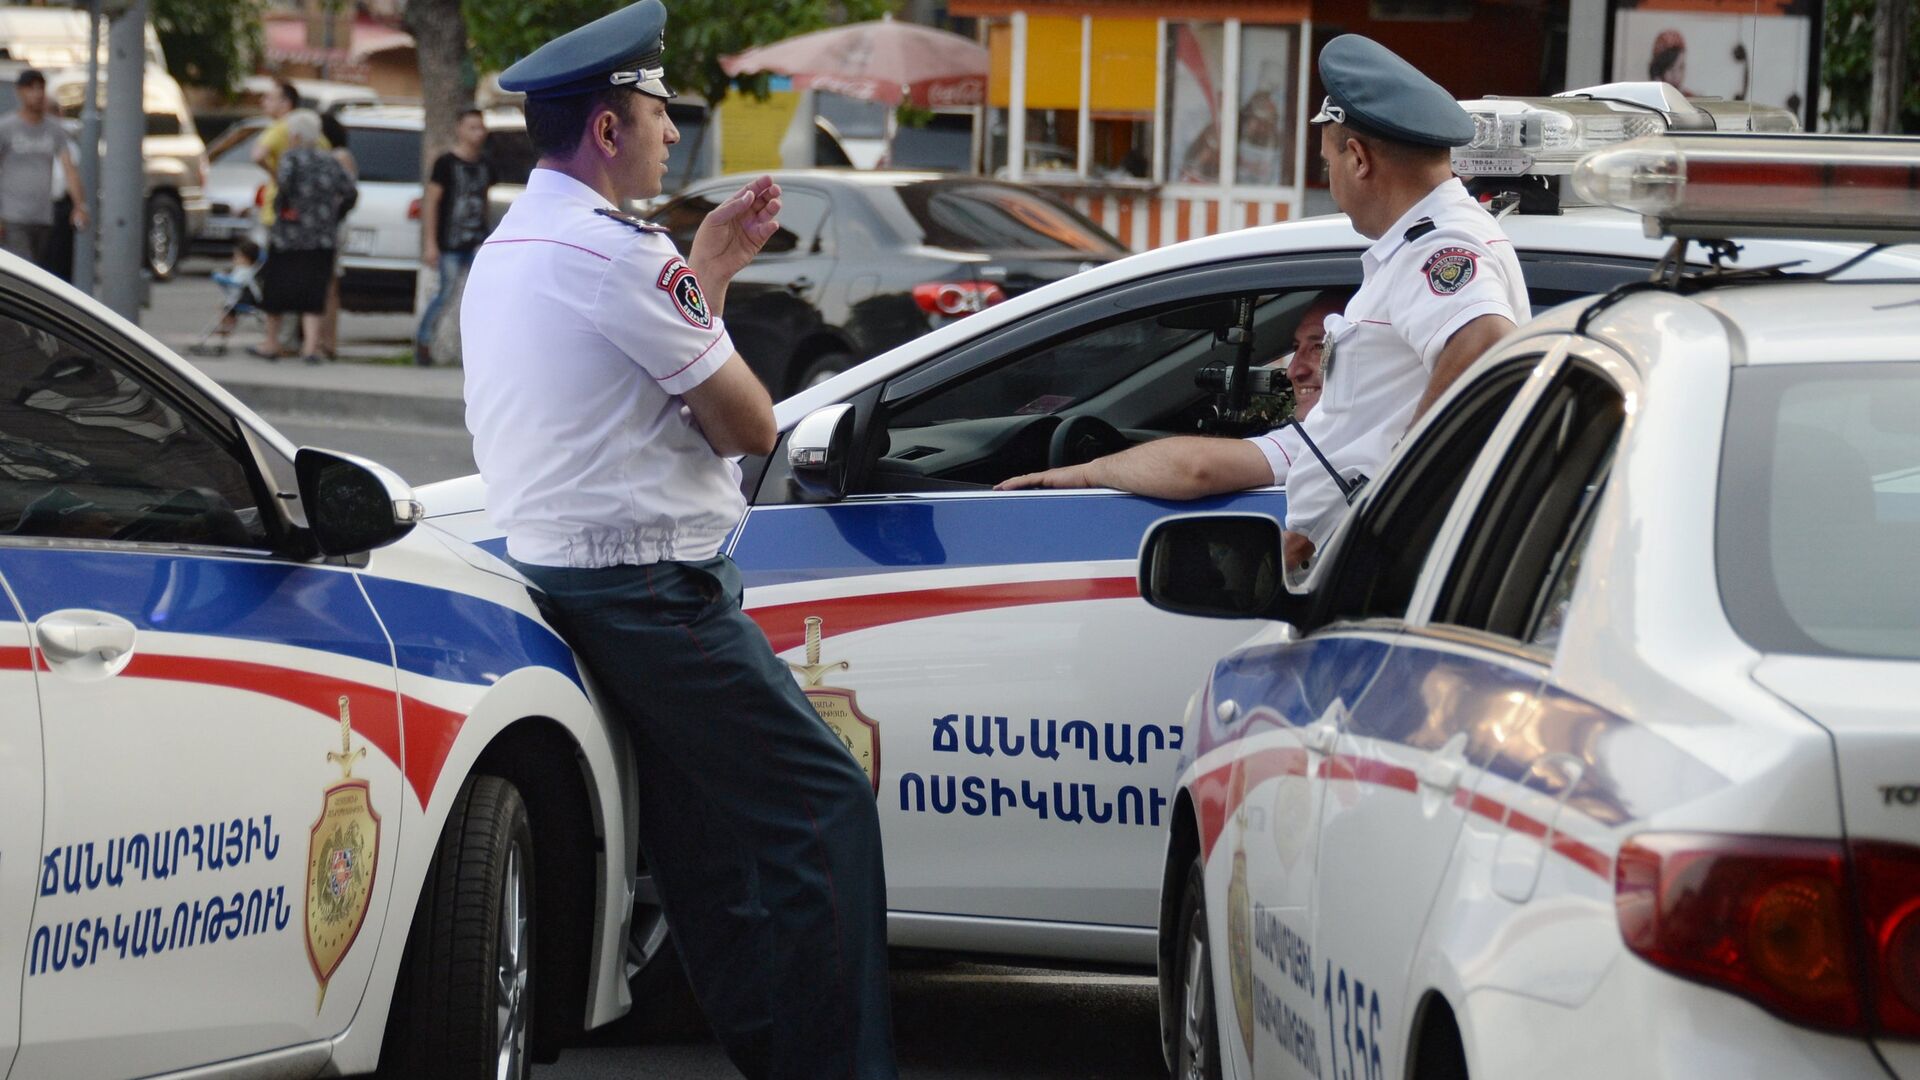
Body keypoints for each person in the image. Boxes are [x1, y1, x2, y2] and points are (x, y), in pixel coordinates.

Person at [460, 3, 897, 1078]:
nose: (670, 131)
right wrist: (696, 278)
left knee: (703, 845)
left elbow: (623, 391)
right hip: (653, 591)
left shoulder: (514, 245)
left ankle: (778, 1052)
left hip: (571, 578)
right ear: (608, 129)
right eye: (657, 112)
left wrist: (711, 270)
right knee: (825, 808)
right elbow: (749, 423)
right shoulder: (619, 253)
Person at [1010, 35, 1528, 571]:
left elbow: (1484, 342)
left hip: (1389, 562)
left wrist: (1387, 500)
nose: (1330, 183)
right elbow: (1215, 465)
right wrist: (1088, 473)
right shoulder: (1424, 243)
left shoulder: (1438, 245)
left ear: (1357, 159)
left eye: (1327, 164)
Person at [998, 288, 1346, 498]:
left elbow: (1195, 469)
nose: (1293, 371)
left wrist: (1087, 474)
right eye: (1296, 348)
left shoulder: (1334, 434)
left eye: (1319, 346)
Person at [259, 110, 355, 364]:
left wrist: (282, 210)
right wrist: (335, 215)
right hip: (322, 237)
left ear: (296, 136)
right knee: (314, 291)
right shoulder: (330, 161)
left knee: (277, 289)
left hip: (288, 236)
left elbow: (283, 188)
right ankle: (311, 347)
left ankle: (271, 343)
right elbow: (350, 191)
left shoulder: (291, 158)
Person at [416, 108, 495, 366]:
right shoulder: (446, 163)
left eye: (480, 128)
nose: (477, 133)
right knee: (445, 292)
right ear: (459, 130)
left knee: (479, 294)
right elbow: (432, 202)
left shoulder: (485, 164)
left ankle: (475, 351)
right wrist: (431, 243)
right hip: (449, 241)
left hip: (476, 240)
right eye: (472, 128)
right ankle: (424, 340)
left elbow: (484, 200)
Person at [0, 68, 87, 271]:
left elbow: (69, 168)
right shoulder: (7, 127)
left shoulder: (54, 129)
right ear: (20, 92)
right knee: (24, 268)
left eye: (40, 88)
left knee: (39, 269)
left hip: (43, 216)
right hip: (13, 216)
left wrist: (79, 205)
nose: (37, 94)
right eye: (31, 88)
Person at [250, 79, 310, 359]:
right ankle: (292, 338)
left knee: (276, 276)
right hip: (307, 218)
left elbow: (257, 155)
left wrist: (275, 175)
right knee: (299, 275)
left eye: (270, 98)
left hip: (279, 214)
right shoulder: (309, 128)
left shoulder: (280, 128)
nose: (264, 103)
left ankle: (275, 339)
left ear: (286, 103)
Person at [317, 111, 357, 360]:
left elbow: (348, 191)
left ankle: (328, 341)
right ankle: (321, 339)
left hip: (333, 225)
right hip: (327, 224)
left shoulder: (339, 156)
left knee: (329, 284)